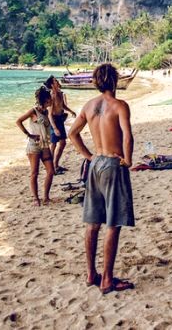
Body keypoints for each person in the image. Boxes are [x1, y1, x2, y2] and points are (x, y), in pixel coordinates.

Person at [69, 63, 135, 295]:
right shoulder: (120, 106)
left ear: (96, 82)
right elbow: (127, 136)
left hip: (95, 163)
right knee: (113, 223)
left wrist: (88, 156)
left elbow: (72, 133)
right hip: (112, 165)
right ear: (115, 81)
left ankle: (90, 274)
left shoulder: (89, 106)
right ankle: (106, 279)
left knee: (92, 223)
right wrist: (127, 159)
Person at [16, 86, 56, 206]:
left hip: (44, 145)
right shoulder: (33, 111)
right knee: (34, 172)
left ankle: (46, 197)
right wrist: (29, 134)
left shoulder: (46, 111)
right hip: (33, 146)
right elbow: (18, 121)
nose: (52, 101)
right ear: (45, 100)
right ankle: (35, 199)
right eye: (50, 99)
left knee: (51, 171)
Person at [45, 75, 77, 174]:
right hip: (53, 120)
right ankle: (51, 168)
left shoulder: (59, 93)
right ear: (51, 84)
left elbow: (62, 106)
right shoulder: (51, 96)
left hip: (60, 119)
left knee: (62, 143)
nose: (57, 82)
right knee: (53, 144)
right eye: (55, 81)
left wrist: (71, 111)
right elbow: (49, 115)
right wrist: (54, 128)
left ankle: (56, 165)